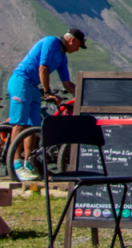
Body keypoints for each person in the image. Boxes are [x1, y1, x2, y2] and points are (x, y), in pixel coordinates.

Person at [8, 29, 84, 176]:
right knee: (20, 123)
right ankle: (15, 163)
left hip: (33, 87)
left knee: (33, 126)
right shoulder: (51, 42)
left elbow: (67, 84)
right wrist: (48, 92)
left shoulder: (62, 58)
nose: (78, 50)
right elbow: (43, 67)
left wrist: (84, 96)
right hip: (20, 81)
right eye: (79, 45)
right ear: (72, 40)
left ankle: (29, 163)